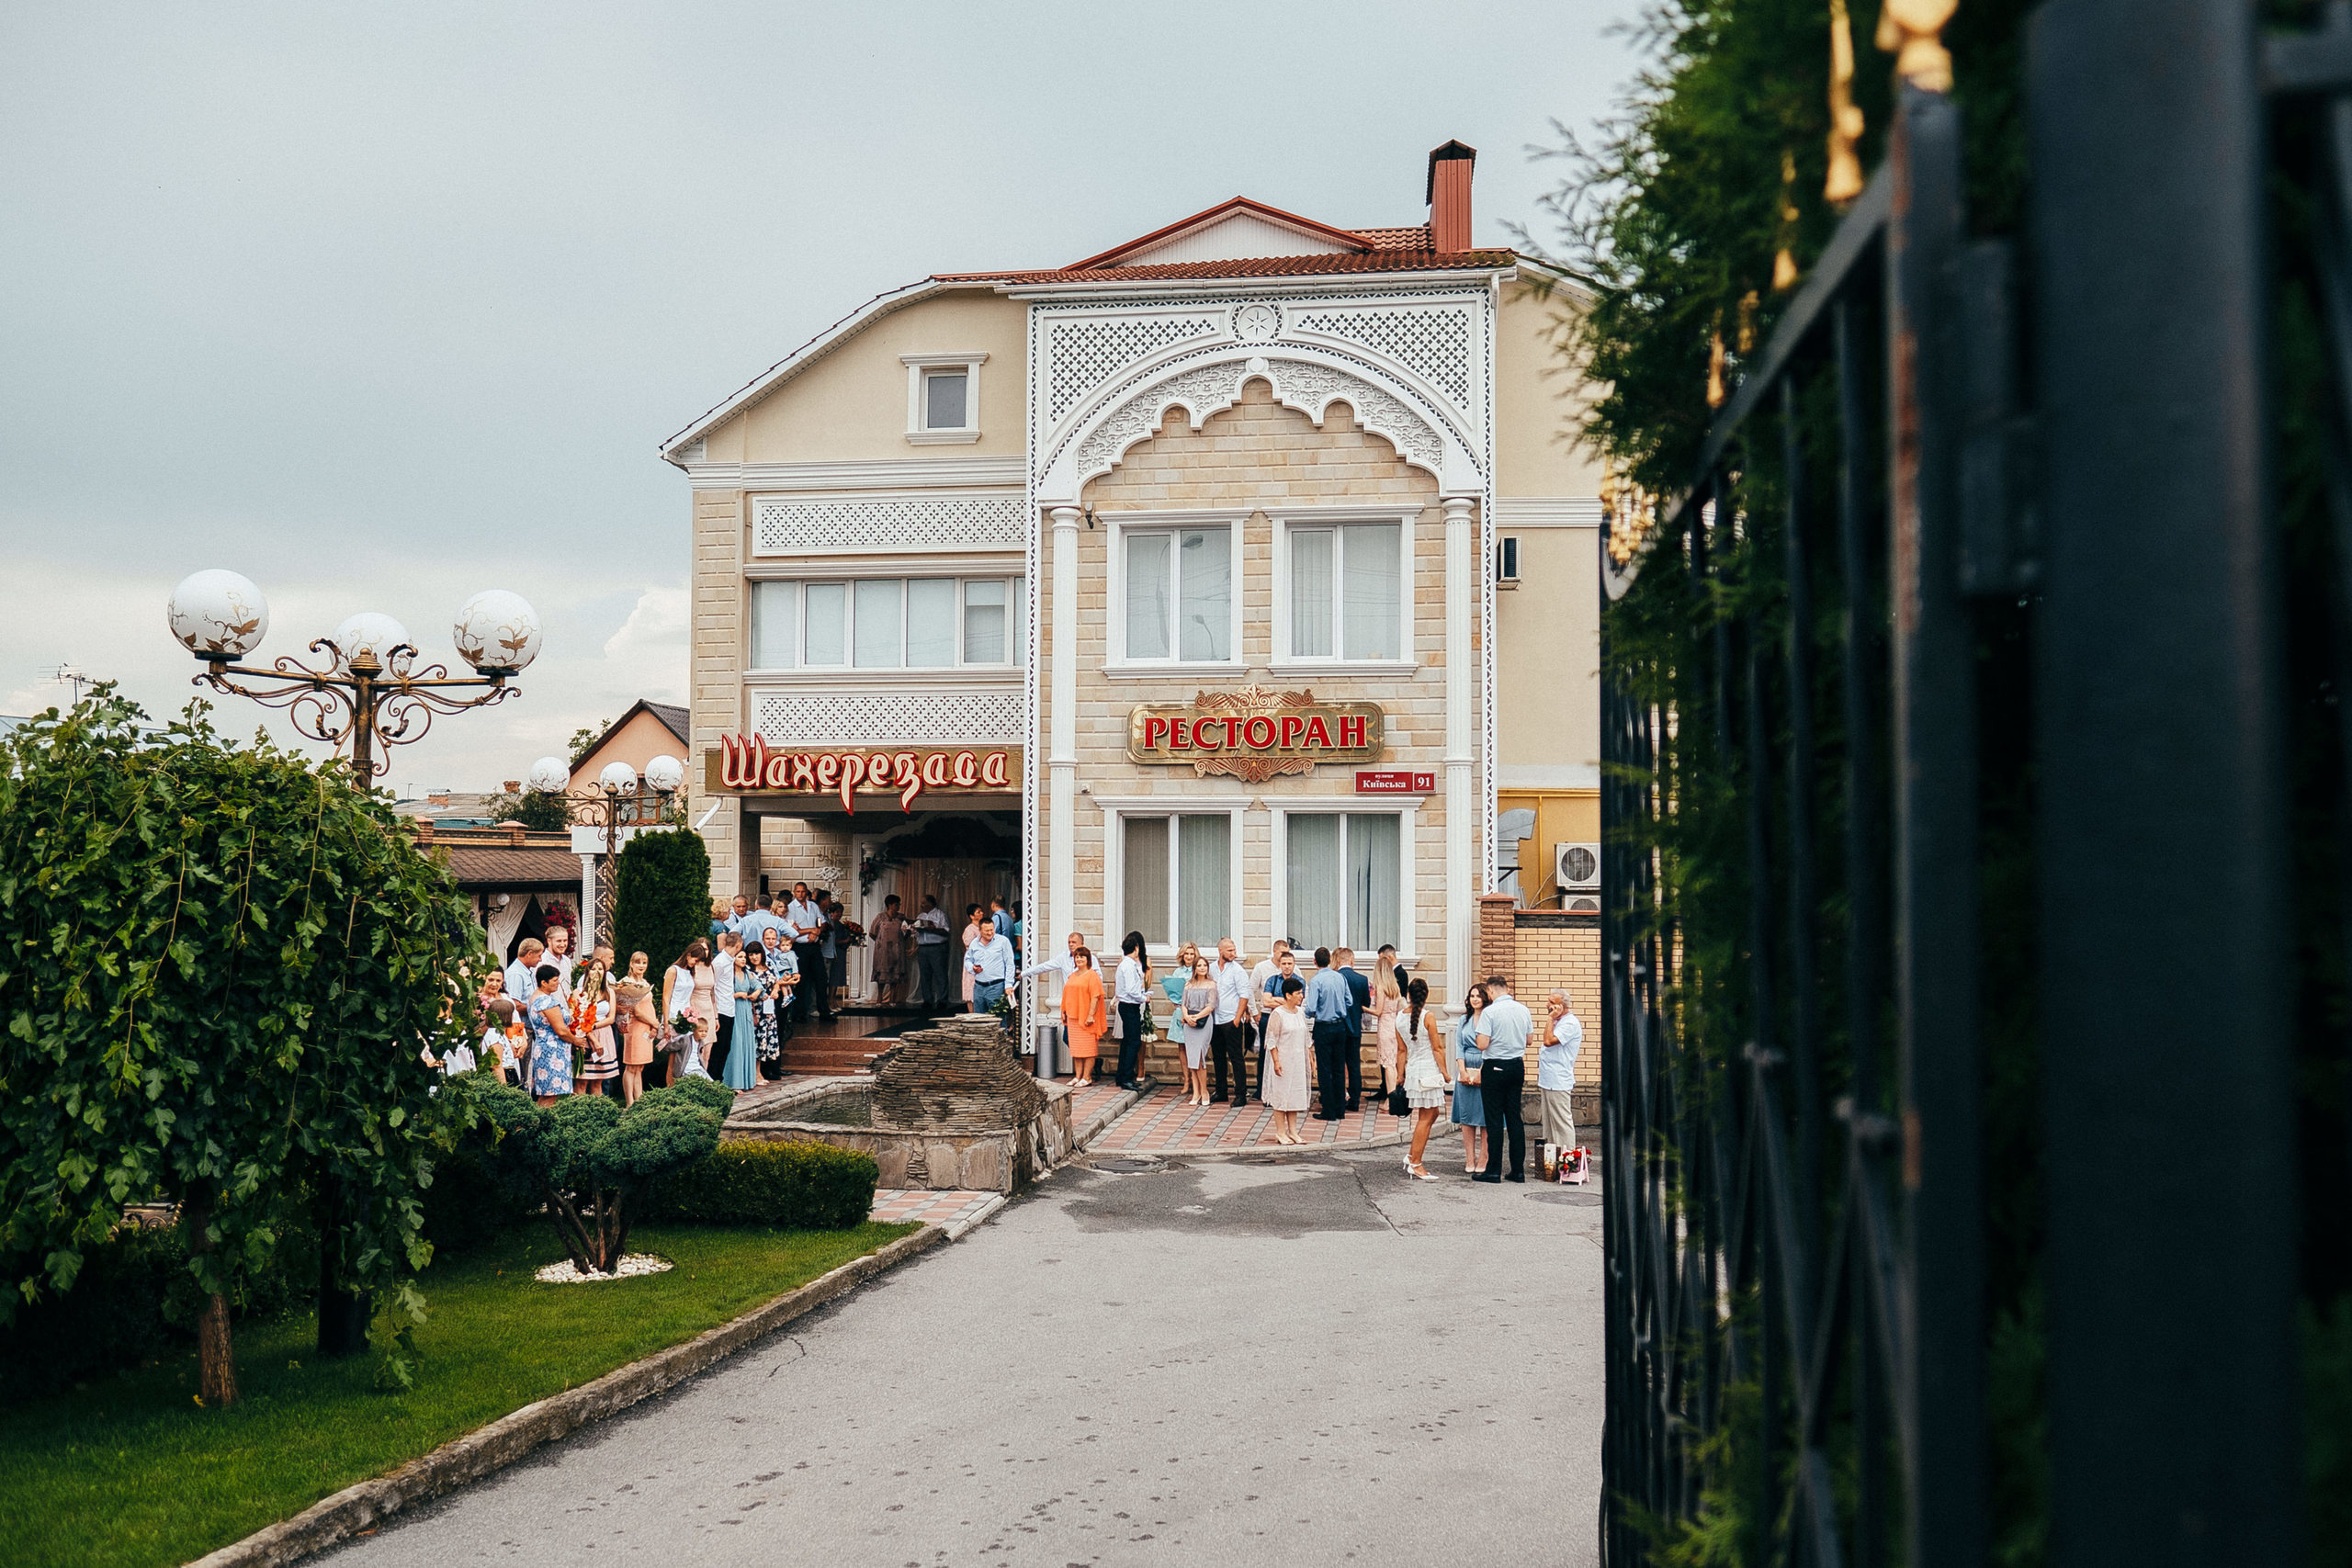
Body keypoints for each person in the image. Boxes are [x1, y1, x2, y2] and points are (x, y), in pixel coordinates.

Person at [1474, 975, 1534, 1182]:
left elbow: (1482, 1044)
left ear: (1490, 991)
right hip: (1517, 1065)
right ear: (1506, 989)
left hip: (1494, 1066)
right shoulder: (1523, 1009)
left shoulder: (1490, 1012)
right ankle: (1518, 1170)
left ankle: (1493, 1170)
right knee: (1514, 1117)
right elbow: (1529, 1041)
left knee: (1494, 1120)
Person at [1400, 976, 1453, 1180]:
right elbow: (1437, 1048)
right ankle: (1416, 1162)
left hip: (1414, 1069)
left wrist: (1400, 1075)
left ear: (1408, 995)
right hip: (1428, 1070)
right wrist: (1446, 1072)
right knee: (1425, 1117)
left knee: (1432, 1114)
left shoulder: (1399, 1017)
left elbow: (1401, 1051)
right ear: (1426, 995)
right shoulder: (1428, 1016)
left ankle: (1412, 1155)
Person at [1261, 975, 1312, 1145]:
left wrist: (1311, 1059)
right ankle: (1280, 1132)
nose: (1301, 996)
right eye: (1298, 993)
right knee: (1281, 1096)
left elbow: (1306, 1039)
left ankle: (1293, 1131)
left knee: (1295, 1095)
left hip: (1298, 1059)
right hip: (1283, 1060)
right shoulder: (1278, 1014)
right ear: (1288, 995)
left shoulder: (1300, 1013)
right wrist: (1276, 1061)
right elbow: (1271, 1040)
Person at [1306, 946, 1351, 1121]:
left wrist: (1312, 1013)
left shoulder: (1316, 981)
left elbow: (1310, 1008)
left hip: (1323, 1026)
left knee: (1325, 1069)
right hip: (1340, 1026)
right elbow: (1349, 1000)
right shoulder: (1340, 977)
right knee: (1339, 1067)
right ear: (1331, 960)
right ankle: (1340, 1109)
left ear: (1315, 962)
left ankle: (1329, 1110)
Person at [525, 964, 582, 1105]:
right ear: (544, 982)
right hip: (553, 1051)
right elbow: (561, 1030)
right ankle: (542, 1124)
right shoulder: (546, 1002)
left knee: (546, 1093)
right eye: (555, 980)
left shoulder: (534, 998)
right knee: (551, 1094)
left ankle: (538, 1122)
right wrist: (576, 1041)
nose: (558, 983)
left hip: (542, 1046)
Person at [1207, 938, 1253, 1105]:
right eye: (1230, 951)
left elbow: (1244, 995)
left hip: (1231, 1019)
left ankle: (1240, 1094)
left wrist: (1237, 1018)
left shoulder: (1238, 970)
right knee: (1218, 1056)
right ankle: (1221, 1091)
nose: (1234, 954)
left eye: (1234, 950)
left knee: (1236, 1057)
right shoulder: (1211, 968)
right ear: (1220, 951)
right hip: (1215, 1018)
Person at [1541, 988, 1585, 1157]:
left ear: (1562, 1005)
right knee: (1549, 1123)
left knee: (1561, 1121)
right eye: (1549, 1001)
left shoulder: (1569, 1023)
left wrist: (1550, 1019)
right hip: (1548, 1079)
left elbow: (1548, 1041)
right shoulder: (1558, 1022)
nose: (1548, 1005)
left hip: (1558, 1079)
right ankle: (1551, 1158)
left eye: (1552, 1002)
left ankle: (1568, 1158)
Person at [665, 937, 716, 1078]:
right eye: (695, 960)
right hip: (673, 1014)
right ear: (688, 955)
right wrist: (666, 1022)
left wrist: (692, 1015)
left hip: (686, 1016)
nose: (695, 964)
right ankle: (669, 1090)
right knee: (672, 1058)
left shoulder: (689, 972)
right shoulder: (673, 970)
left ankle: (683, 1087)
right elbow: (666, 998)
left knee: (685, 1055)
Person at [1453, 984, 1490, 1174]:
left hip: (1485, 1065)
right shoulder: (1463, 1020)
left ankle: (1484, 1157)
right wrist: (1462, 1070)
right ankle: (1469, 1157)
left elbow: (1492, 1047)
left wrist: (1482, 1073)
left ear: (1485, 997)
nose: (1475, 999)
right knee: (1467, 1117)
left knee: (1485, 1116)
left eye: (1479, 995)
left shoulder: (1491, 1018)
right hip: (1466, 1066)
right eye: (1472, 996)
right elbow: (1459, 1045)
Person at [1249, 939, 1292, 1100]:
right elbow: (1250, 990)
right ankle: (1262, 1089)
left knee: (1285, 1052)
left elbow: (1301, 992)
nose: (1285, 958)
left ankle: (1283, 1088)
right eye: (1282, 953)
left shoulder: (1293, 968)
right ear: (1274, 952)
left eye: (1287, 954)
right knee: (1266, 1052)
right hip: (1267, 1015)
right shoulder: (1261, 967)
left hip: (1288, 1015)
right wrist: (1254, 1013)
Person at [1059, 946, 1105, 1087]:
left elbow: (1096, 996)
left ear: (1088, 960)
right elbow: (1066, 994)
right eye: (1077, 957)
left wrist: (1090, 1015)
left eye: (1082, 957)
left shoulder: (1092, 976)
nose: (1078, 959)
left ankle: (1087, 1076)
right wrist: (1063, 1010)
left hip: (1086, 1018)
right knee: (1076, 1049)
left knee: (1088, 1049)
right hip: (1073, 1018)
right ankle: (1077, 1076)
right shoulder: (1072, 976)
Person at [616, 951, 657, 1105]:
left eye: (644, 962)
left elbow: (648, 1005)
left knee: (640, 1067)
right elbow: (637, 1012)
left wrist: (653, 1024)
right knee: (631, 1065)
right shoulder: (627, 983)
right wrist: (655, 1023)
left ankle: (639, 1100)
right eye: (638, 962)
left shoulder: (645, 982)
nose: (641, 966)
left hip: (647, 1027)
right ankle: (629, 1102)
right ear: (631, 964)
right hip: (635, 1027)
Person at [786, 882, 830, 1023]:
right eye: (798, 891)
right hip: (800, 947)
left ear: (806, 892)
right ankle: (799, 1013)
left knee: (821, 978)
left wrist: (816, 931)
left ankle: (824, 1011)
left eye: (803, 891)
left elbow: (821, 922)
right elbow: (793, 931)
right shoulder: (791, 908)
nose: (800, 894)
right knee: (801, 980)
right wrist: (811, 930)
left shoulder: (813, 906)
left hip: (814, 946)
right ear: (794, 892)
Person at [1113, 931, 1151, 1091]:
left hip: (1127, 1004)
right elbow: (1131, 989)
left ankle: (1121, 1076)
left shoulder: (1126, 964)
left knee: (1127, 1041)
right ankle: (1127, 1077)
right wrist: (1144, 998)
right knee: (1133, 1041)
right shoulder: (1128, 965)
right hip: (1130, 1005)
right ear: (1136, 947)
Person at [1176, 955, 1216, 1107]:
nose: (1202, 968)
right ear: (1194, 968)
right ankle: (1196, 1092)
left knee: (1199, 1057)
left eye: (1204, 965)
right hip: (1189, 1024)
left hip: (1204, 1022)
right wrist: (1187, 1017)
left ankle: (1205, 1091)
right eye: (1199, 965)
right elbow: (1183, 1004)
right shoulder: (1189, 984)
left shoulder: (1211, 984)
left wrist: (1196, 1017)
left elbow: (1211, 1005)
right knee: (1192, 1058)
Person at [1335, 946, 1370, 1112]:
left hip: (1338, 1027)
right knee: (1354, 1064)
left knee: (1338, 1064)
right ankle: (1355, 1100)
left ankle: (1340, 1096)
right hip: (1355, 1028)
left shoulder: (1335, 978)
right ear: (1352, 961)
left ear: (1338, 961)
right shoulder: (1362, 980)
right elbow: (1366, 1004)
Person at [578, 955, 618, 1097]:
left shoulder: (609, 992)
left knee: (598, 1081)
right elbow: (579, 1019)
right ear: (587, 972)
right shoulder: (580, 993)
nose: (597, 972)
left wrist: (594, 1026)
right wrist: (590, 1033)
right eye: (593, 969)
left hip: (604, 1033)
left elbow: (611, 1018)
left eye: (600, 969)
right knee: (582, 1082)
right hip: (585, 1036)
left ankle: (597, 1113)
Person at [727, 942, 764, 1090]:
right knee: (736, 1044)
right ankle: (733, 1082)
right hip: (735, 1009)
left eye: (744, 957)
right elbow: (722, 993)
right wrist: (737, 995)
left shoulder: (748, 973)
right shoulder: (729, 974)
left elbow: (759, 986)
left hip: (747, 1011)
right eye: (740, 957)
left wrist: (755, 993)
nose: (743, 959)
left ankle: (747, 1081)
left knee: (747, 1044)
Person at [707, 931, 741, 1085]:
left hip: (729, 1008)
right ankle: (714, 1079)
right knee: (719, 1047)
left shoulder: (730, 961)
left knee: (726, 1046)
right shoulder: (720, 962)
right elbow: (712, 984)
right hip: (720, 1009)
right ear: (739, 945)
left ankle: (719, 1079)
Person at [1371, 948, 1403, 1101]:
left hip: (1385, 1025)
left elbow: (1378, 1011)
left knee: (1388, 1065)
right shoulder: (1395, 988)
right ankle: (1393, 1096)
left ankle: (1391, 1099)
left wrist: (1363, 1007)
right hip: (1394, 1025)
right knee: (1393, 1063)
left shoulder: (1381, 989)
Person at [966, 914, 1015, 1013]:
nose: (990, 933)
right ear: (980, 930)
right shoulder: (974, 943)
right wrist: (972, 968)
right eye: (987, 931)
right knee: (979, 1019)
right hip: (978, 987)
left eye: (992, 930)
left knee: (998, 1019)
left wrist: (1008, 984)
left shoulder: (1003, 941)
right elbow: (967, 960)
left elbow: (1009, 963)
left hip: (996, 986)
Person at [912, 894, 953, 1008]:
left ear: (930, 904)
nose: (921, 905)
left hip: (937, 948)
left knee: (940, 974)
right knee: (925, 975)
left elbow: (946, 931)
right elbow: (917, 933)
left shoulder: (940, 915)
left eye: (923, 903)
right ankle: (927, 1000)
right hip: (923, 947)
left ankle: (942, 1000)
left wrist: (933, 929)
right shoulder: (920, 915)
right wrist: (913, 931)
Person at [870, 893, 909, 1006]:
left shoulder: (901, 918)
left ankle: (893, 998)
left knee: (895, 974)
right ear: (890, 905)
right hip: (883, 950)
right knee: (882, 974)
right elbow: (872, 932)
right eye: (896, 904)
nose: (898, 906)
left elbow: (906, 933)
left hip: (897, 949)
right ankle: (879, 998)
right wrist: (881, 943)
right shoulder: (880, 917)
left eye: (899, 904)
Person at [503, 937, 545, 1004]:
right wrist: (538, 1010)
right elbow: (514, 1005)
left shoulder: (527, 971)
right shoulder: (516, 974)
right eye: (539, 956)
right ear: (529, 954)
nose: (540, 960)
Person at [958, 904, 983, 1011]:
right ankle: (971, 1013)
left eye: (981, 911)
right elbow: (969, 945)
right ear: (972, 916)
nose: (981, 913)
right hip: (972, 960)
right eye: (978, 912)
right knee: (971, 987)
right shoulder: (970, 929)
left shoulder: (982, 928)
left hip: (982, 960)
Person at [540, 924, 577, 991]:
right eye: (559, 941)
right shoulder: (542, 961)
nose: (563, 944)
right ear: (549, 941)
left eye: (565, 940)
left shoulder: (567, 960)